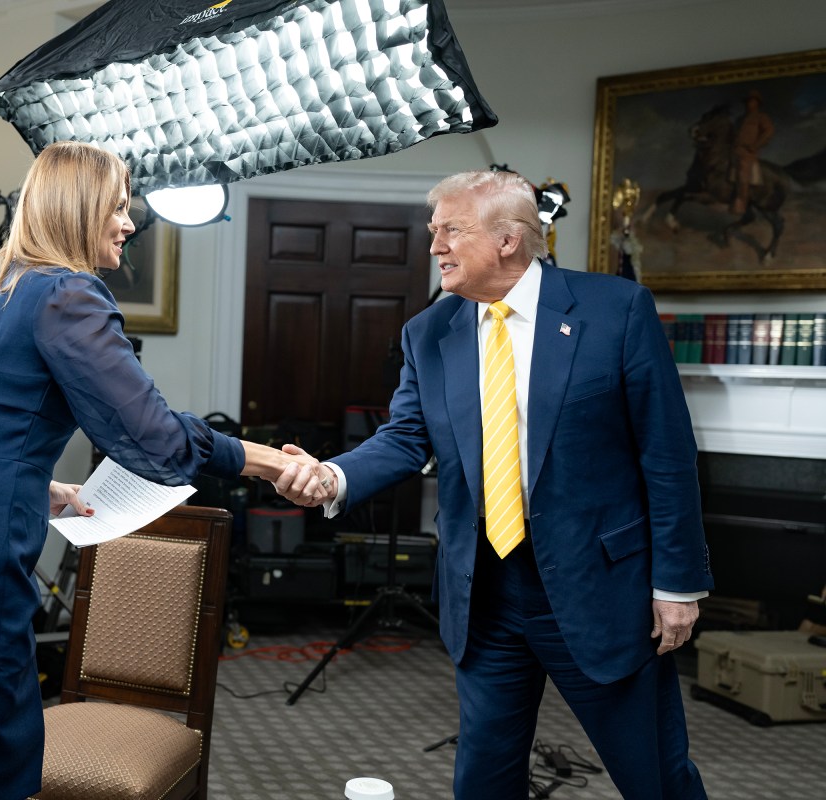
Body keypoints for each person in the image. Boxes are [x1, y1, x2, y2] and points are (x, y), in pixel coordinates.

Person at [0, 140, 318, 799]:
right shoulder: (68, 295)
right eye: (118, 207)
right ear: (81, 211)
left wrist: (28, 479)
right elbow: (157, 444)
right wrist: (258, 459)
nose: (130, 222)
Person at [274, 170, 713, 799]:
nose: (434, 248)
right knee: (484, 778)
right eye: (433, 232)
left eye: (450, 230)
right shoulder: (429, 333)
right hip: (485, 591)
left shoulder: (614, 311)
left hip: (601, 587)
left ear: (508, 239)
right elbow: (405, 437)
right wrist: (332, 476)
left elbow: (666, 453)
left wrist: (676, 582)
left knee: (654, 776)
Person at [732, 89, 775, 213]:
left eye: (751, 101)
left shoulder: (761, 117)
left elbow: (769, 132)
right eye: (747, 101)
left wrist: (756, 145)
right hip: (734, 149)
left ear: (757, 103)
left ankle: (741, 202)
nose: (748, 104)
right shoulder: (740, 119)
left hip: (747, 152)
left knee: (742, 170)